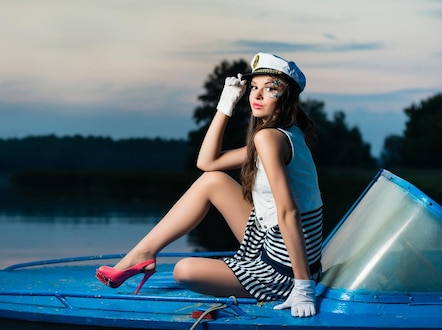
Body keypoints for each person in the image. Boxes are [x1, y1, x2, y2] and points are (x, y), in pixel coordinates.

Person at [96, 52, 324, 318]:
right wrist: (226, 104)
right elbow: (208, 162)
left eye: (271, 89)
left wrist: (303, 286)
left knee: (184, 271)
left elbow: (289, 212)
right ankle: (142, 254)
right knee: (212, 180)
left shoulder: (269, 138)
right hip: (277, 243)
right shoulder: (284, 133)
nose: (257, 96)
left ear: (287, 98)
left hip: (282, 268)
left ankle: (142, 256)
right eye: (254, 88)